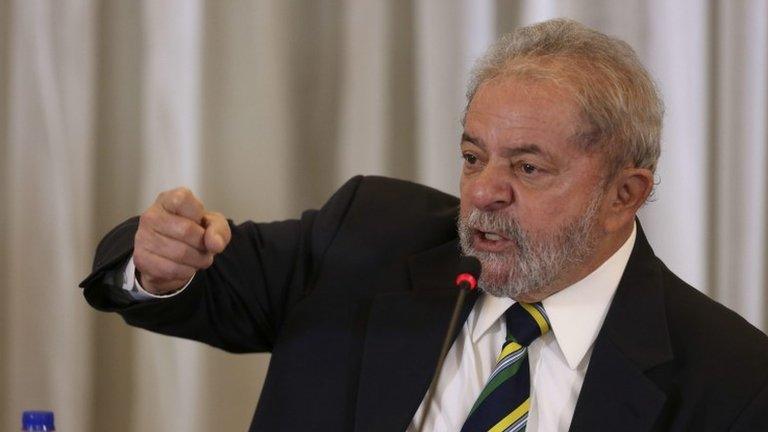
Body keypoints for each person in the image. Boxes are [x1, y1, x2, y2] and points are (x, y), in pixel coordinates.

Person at [81, 19, 768, 431]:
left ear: (625, 194)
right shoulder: (369, 240)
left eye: (528, 169)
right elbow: (205, 283)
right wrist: (158, 263)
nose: (484, 193)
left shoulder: (731, 378)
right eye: (473, 157)